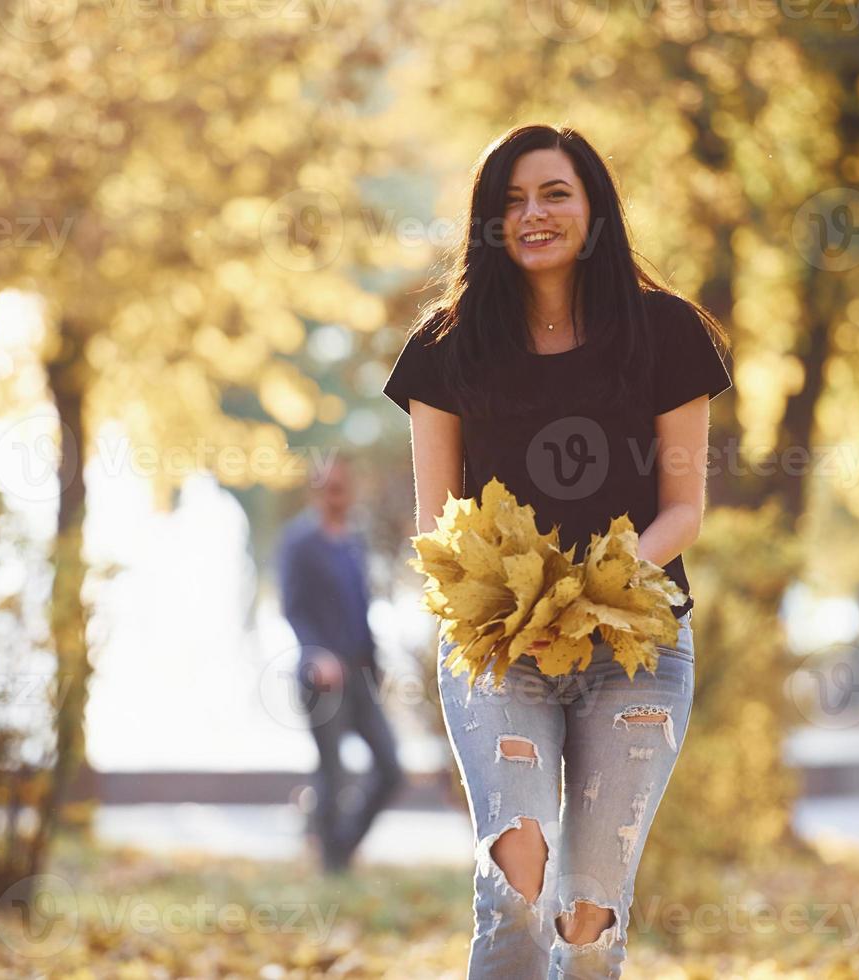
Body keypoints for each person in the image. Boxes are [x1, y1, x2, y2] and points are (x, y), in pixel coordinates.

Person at [381, 125, 733, 978]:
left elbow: (683, 511)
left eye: (554, 193)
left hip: (637, 650)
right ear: (488, 223)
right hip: (501, 652)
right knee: (518, 884)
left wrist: (588, 600)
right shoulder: (446, 346)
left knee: (585, 920)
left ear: (594, 208)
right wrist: (525, 617)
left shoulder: (667, 332)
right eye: (510, 201)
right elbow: (438, 525)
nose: (532, 214)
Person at [275, 452, 405, 873]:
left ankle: (341, 844)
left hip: (360, 673)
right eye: (330, 488)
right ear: (316, 490)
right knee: (333, 772)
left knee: (390, 768)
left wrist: (377, 665)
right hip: (321, 677)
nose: (338, 496)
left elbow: (362, 607)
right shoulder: (298, 542)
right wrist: (318, 654)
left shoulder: (354, 540)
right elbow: (293, 609)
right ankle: (332, 865)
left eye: (343, 488)